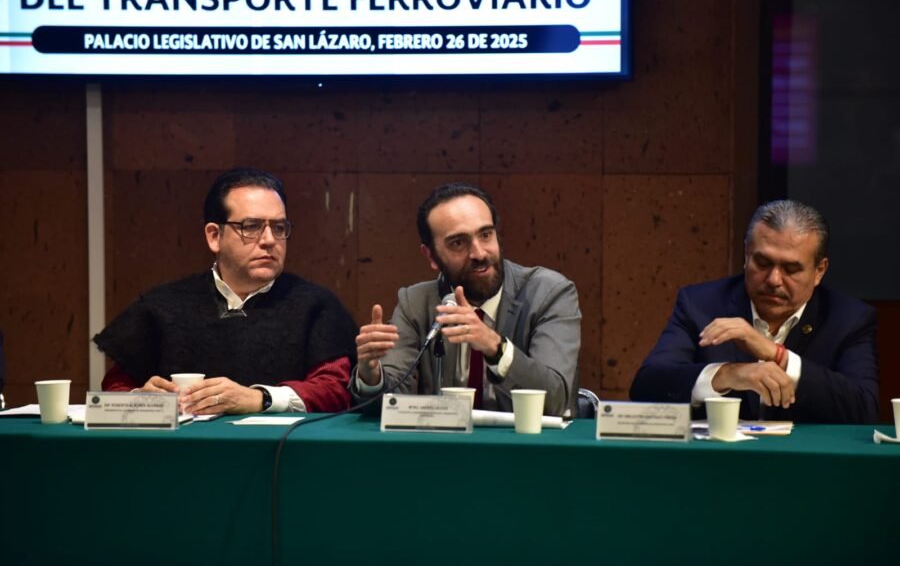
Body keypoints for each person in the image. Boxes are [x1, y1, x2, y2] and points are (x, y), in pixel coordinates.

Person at [94, 168, 357, 415]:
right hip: (182, 447)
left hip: (282, 447)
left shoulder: (316, 305)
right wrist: (141, 399)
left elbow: (335, 388)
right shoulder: (162, 306)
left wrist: (261, 398)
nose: (269, 240)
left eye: (279, 228)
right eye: (251, 226)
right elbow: (115, 388)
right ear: (214, 236)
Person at [630, 200, 879, 423]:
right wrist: (727, 374)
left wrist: (778, 356)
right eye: (762, 263)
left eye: (791, 269)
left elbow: (865, 409)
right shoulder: (701, 304)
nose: (773, 280)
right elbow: (646, 386)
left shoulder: (848, 318)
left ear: (819, 271)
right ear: (746, 255)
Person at [351, 183, 581, 416]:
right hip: (442, 439)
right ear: (431, 256)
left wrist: (495, 346)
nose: (479, 253)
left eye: (486, 235)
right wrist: (372, 377)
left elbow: (556, 400)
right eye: (458, 243)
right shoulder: (416, 304)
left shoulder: (548, 294)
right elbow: (390, 404)